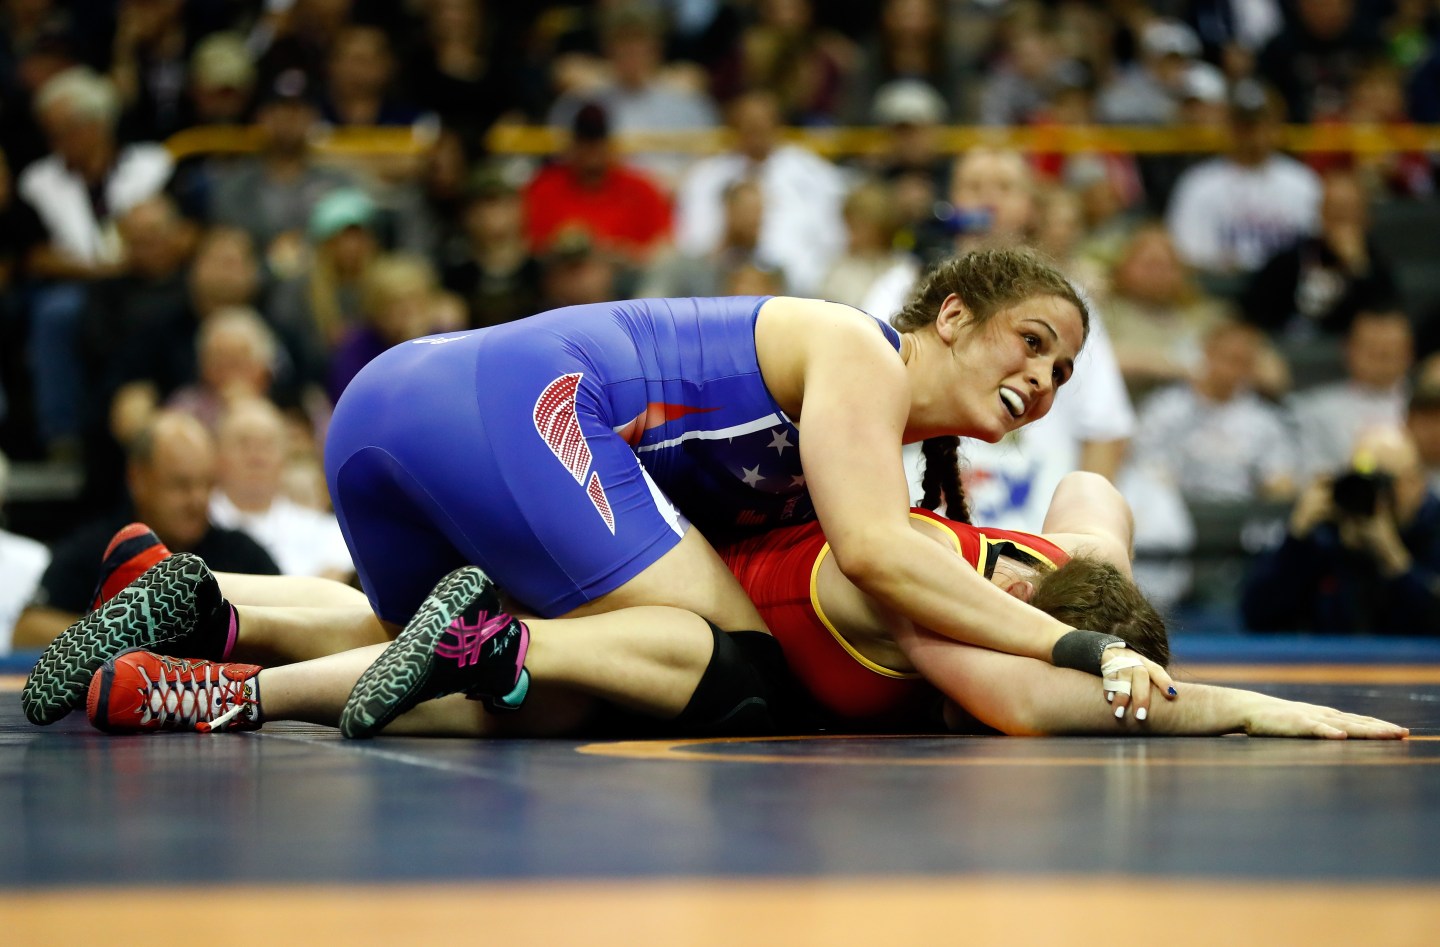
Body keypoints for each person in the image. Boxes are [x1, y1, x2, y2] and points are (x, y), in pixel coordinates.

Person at [24, 247, 1177, 733]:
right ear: (953, 316)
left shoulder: (860, 424)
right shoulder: (862, 355)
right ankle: (225, 670)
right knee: (734, 671)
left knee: (475, 658)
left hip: (402, 407)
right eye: (1032, 341)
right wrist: (1076, 642)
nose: (1044, 379)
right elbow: (878, 552)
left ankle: (206, 624)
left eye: (1064, 372)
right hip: (526, 407)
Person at [71, 472, 1403, 742]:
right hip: (690, 638)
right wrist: (1253, 707)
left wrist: (1093, 598)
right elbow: (1036, 699)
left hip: (655, 549)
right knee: (507, 686)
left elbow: (1097, 494)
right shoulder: (938, 621)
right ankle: (223, 684)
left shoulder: (1039, 548)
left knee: (392, 618)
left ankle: (213, 603)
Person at [11, 411, 279, 650]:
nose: (197, 500)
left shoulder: (243, 555)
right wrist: (130, 635)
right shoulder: (96, 551)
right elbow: (27, 631)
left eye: (206, 484)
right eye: (181, 485)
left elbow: (291, 620)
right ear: (137, 479)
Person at [1242, 425, 1440, 635]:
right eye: (1360, 481)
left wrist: (1394, 559)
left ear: (1415, 483)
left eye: (1382, 482)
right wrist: (1296, 538)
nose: (1370, 494)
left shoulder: (1434, 531)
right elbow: (1257, 616)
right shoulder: (1326, 537)